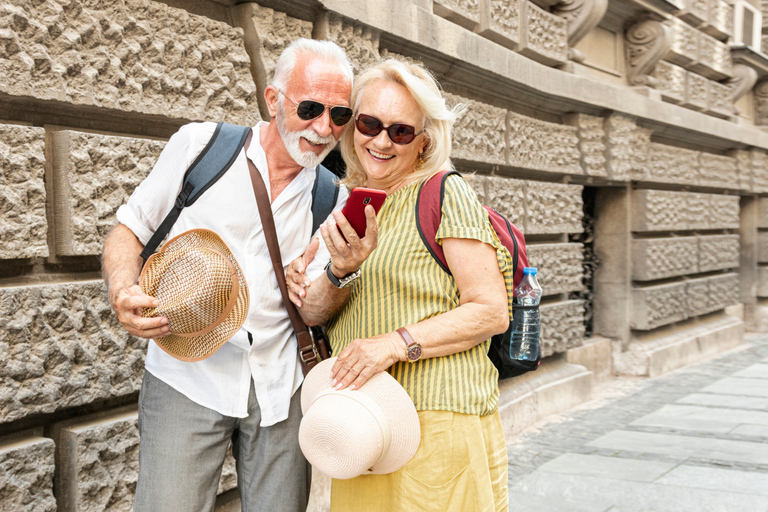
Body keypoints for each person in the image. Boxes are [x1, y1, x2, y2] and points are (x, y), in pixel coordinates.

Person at [101, 39, 377, 512]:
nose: (322, 128)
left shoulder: (331, 197)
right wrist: (123, 290)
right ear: (273, 100)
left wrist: (339, 274)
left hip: (282, 387)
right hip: (186, 378)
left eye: (339, 116)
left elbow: (315, 309)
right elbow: (129, 229)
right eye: (310, 108)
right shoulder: (200, 147)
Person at [287, 58, 512, 512]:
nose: (382, 140)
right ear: (352, 128)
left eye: (401, 131)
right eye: (369, 123)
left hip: (436, 423)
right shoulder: (350, 201)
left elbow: (490, 310)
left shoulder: (443, 192)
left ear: (423, 140)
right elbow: (313, 313)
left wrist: (393, 344)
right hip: (365, 428)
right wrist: (336, 273)